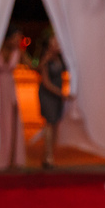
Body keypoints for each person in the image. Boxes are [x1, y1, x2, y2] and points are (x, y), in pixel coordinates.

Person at [0, 30, 25, 169]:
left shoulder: (18, 52)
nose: (17, 41)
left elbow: (33, 66)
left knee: (11, 121)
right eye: (15, 38)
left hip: (10, 89)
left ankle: (12, 157)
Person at [37, 33, 66, 169]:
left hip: (57, 95)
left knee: (55, 124)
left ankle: (50, 155)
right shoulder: (46, 58)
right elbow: (46, 82)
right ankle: (47, 156)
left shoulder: (60, 58)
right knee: (49, 123)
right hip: (48, 95)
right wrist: (60, 93)